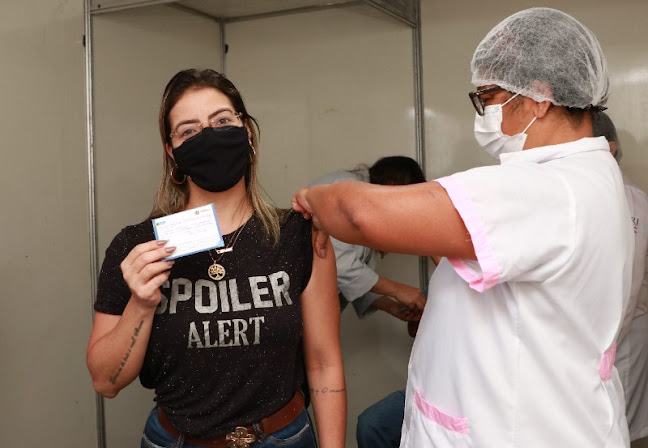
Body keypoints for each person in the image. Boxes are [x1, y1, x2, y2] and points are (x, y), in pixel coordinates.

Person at [292, 7, 634, 447]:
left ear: (539, 96)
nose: (483, 111)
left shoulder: (547, 189)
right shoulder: (585, 178)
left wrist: (314, 198)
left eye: (488, 96)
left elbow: (362, 214)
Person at [87, 69, 346, 448]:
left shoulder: (299, 233)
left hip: (283, 437)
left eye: (222, 121)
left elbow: (324, 364)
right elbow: (105, 382)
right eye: (189, 130)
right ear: (172, 152)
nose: (208, 136)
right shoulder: (137, 246)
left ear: (248, 133)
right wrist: (140, 304)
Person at [310, 156, 426, 321]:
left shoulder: (367, 202)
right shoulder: (349, 189)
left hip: (314, 307)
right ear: (392, 186)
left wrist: (390, 305)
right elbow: (339, 263)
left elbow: (353, 280)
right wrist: (397, 290)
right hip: (298, 299)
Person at [593, 111, 648, 443]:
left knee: (617, 429)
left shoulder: (637, 201)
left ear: (608, 150)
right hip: (600, 340)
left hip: (625, 341)